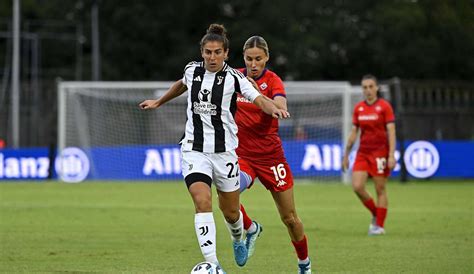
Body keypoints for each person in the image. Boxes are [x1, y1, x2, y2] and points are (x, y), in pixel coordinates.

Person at [139, 25, 289, 272]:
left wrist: (274, 108)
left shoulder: (235, 78)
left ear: (226, 53)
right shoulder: (192, 70)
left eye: (217, 52)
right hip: (194, 149)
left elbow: (258, 99)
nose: (211, 57)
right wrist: (159, 101)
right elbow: (181, 84)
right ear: (202, 52)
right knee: (202, 200)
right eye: (207, 52)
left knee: (231, 212)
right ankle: (213, 264)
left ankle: (245, 233)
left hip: (225, 153)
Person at [234, 36, 312, 274]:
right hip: (242, 156)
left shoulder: (273, 80)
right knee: (226, 192)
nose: (253, 64)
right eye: (249, 59)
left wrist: (260, 96)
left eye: (258, 59)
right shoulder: (234, 78)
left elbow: (280, 106)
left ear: (266, 57)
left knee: (290, 218)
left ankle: (304, 265)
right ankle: (250, 228)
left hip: (271, 158)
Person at [342, 74, 396, 235]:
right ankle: (375, 213)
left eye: (371, 86)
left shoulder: (384, 107)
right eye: (365, 87)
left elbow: (391, 131)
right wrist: (346, 154)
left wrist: (391, 155)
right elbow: (354, 133)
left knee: (380, 189)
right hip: (363, 153)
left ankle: (379, 225)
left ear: (377, 88)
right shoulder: (359, 108)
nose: (368, 90)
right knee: (357, 187)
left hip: (380, 152)